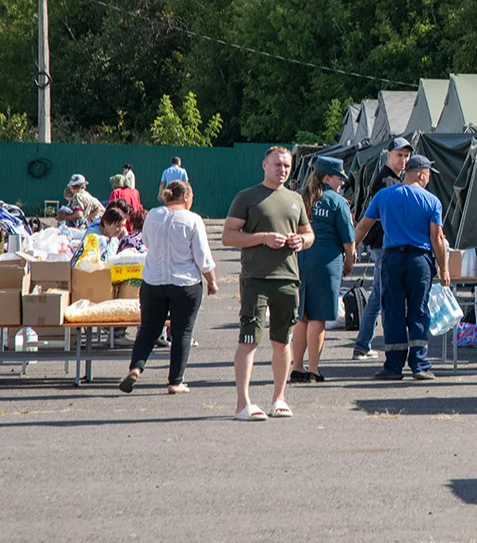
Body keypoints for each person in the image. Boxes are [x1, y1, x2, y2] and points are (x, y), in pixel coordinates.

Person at [223, 147, 313, 421]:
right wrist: (262, 238)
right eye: (277, 164)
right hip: (255, 279)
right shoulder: (247, 197)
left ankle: (279, 399)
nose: (282, 169)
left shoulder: (295, 198)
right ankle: (243, 403)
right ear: (264, 165)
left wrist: (302, 242)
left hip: (287, 278)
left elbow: (308, 234)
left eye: (286, 165)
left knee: (282, 341)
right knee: (249, 339)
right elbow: (228, 236)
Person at [354, 155, 450, 381]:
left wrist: (350, 253)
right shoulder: (432, 201)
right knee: (419, 310)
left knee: (393, 311)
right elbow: (436, 238)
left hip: (392, 259)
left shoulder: (384, 195)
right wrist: (444, 268)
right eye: (428, 175)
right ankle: (420, 365)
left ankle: (394, 366)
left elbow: (363, 226)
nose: (428, 180)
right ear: (421, 173)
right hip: (420, 261)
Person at [118, 181, 217, 395]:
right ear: (185, 197)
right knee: (182, 331)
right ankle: (175, 381)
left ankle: (136, 368)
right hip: (185, 283)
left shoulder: (153, 214)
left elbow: (146, 241)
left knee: (148, 329)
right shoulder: (193, 219)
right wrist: (212, 281)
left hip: (153, 282)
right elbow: (202, 256)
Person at [292, 157, 355, 383]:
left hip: (300, 260)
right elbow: (349, 239)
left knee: (302, 317)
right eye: (340, 178)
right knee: (318, 317)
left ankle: (296, 367)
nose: (342, 183)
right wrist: (350, 260)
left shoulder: (300, 198)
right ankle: (314, 370)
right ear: (327, 177)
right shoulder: (337, 202)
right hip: (327, 261)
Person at [354, 138, 411, 360]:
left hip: (383, 245)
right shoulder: (386, 180)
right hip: (383, 246)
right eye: (399, 155)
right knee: (379, 295)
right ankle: (362, 345)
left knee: (379, 294)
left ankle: (363, 344)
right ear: (388, 155)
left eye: (406, 156)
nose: (403, 160)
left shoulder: (393, 178)